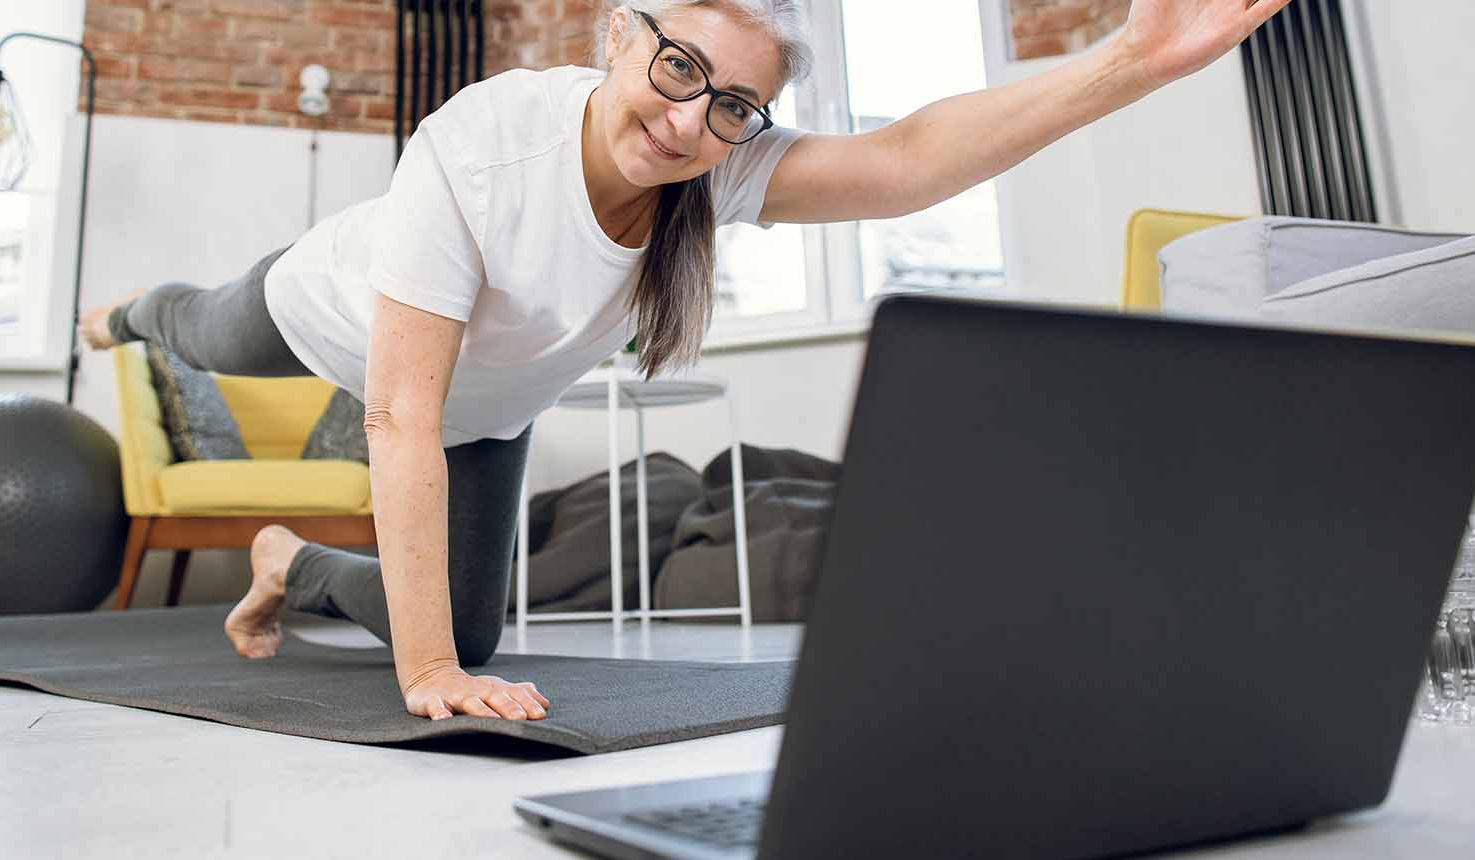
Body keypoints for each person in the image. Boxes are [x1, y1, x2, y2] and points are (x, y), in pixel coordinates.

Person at [77, 0, 1292, 724]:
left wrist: (1130, 62)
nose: (687, 118)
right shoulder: (483, 143)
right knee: (208, 323)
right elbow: (397, 415)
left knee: (474, 630)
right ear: (620, 34)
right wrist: (426, 673)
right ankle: (132, 312)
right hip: (329, 313)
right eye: (676, 71)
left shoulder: (717, 163)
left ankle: (285, 561)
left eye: (732, 107)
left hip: (485, 412)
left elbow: (910, 159)